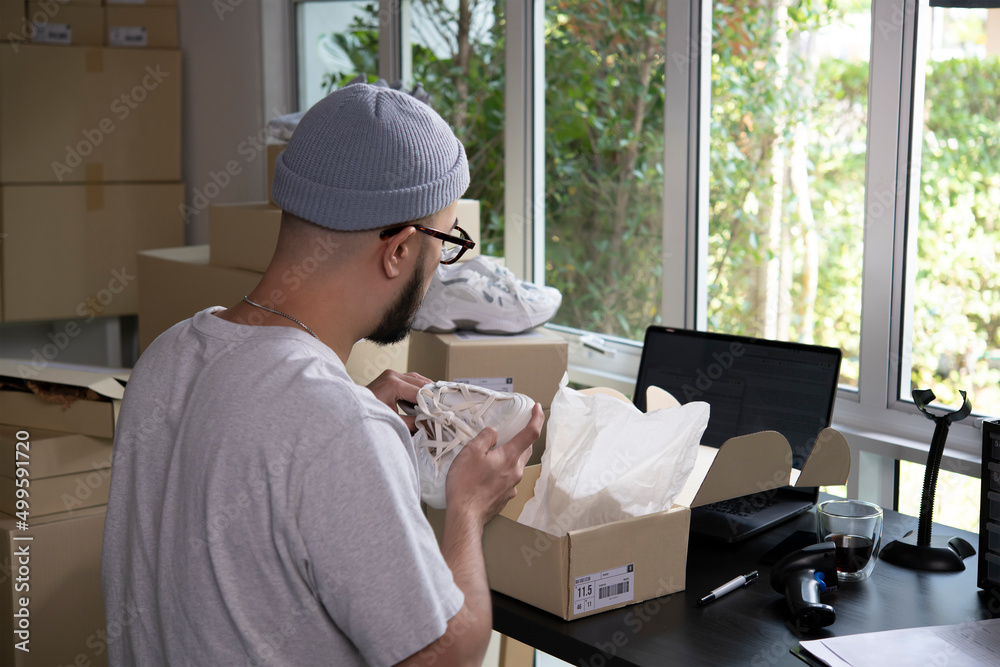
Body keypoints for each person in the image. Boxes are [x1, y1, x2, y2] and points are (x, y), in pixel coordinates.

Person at [101, 82, 543, 666]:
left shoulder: (170, 352)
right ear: (398, 250)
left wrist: (345, 423)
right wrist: (468, 507)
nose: (441, 268)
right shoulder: (337, 427)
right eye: (448, 243)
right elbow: (446, 657)